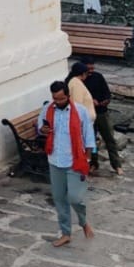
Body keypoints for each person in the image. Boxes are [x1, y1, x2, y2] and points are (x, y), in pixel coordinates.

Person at [37, 79, 97, 247]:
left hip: (75, 160)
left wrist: (88, 158)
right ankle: (65, 233)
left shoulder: (80, 111)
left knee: (75, 198)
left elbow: (88, 136)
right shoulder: (48, 109)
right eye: (55, 99)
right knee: (59, 198)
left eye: (61, 99)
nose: (58, 102)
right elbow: (40, 127)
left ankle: (83, 221)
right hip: (55, 159)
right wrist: (43, 130)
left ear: (68, 96)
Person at [83, 56, 124, 175]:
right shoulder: (80, 81)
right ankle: (93, 163)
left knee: (109, 138)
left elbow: (106, 92)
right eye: (88, 69)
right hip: (89, 114)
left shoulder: (98, 77)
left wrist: (106, 100)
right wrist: (91, 101)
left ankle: (116, 164)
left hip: (101, 112)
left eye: (92, 68)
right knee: (92, 140)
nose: (90, 71)